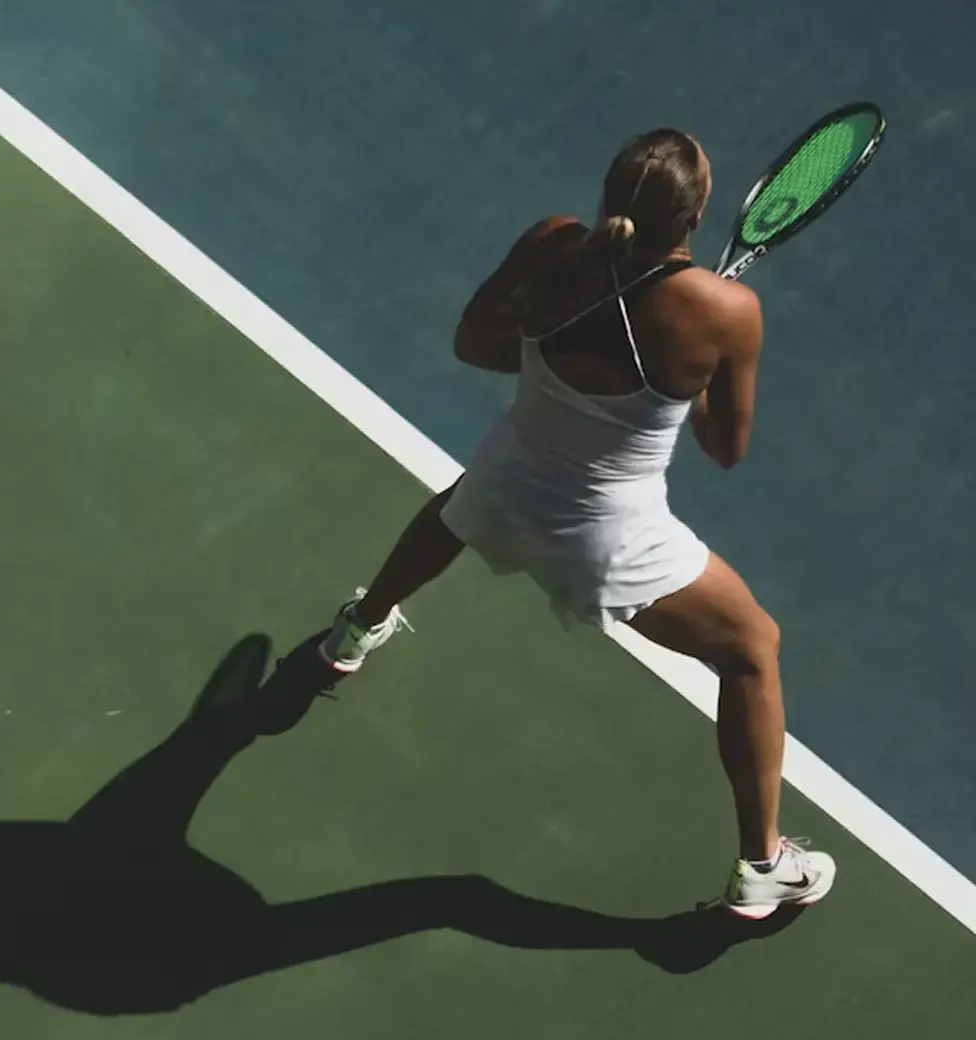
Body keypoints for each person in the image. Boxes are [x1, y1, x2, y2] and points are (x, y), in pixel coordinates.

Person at [318, 128, 835, 919]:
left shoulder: (554, 243)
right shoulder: (727, 310)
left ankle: (355, 629)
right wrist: (683, 384)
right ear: (696, 215)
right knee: (754, 650)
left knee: (463, 505)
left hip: (506, 477)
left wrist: (564, 364)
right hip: (607, 543)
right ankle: (763, 864)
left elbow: (475, 344)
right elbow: (725, 448)